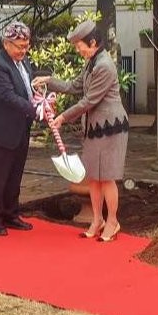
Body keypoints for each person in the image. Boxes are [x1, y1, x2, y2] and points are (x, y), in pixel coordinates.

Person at [32, 20, 128, 242]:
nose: (78, 50)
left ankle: (112, 221)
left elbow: (89, 101)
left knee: (107, 177)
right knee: (93, 176)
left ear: (92, 42)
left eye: (79, 46)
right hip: (94, 128)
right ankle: (97, 220)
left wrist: (63, 117)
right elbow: (74, 86)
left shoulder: (104, 65)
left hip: (110, 128)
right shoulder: (92, 62)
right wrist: (49, 81)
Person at [0, 21, 37, 237]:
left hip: (21, 128)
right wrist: (35, 108)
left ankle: (11, 213)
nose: (23, 50)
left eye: (26, 46)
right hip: (0, 130)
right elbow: (7, 96)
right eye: (19, 46)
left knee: (15, 175)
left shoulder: (24, 63)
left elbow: (27, 89)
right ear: (6, 43)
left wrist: (39, 101)